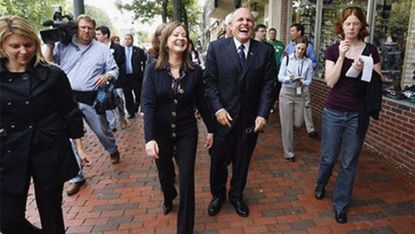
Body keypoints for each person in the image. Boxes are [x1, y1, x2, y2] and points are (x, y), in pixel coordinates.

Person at [0, 15, 84, 233]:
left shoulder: (52, 74)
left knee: (52, 216)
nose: (23, 51)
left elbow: (69, 111)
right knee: (8, 220)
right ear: (2, 46)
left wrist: (79, 147)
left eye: (28, 44)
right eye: (15, 46)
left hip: (48, 149)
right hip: (9, 153)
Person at [142, 21, 214, 234]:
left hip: (186, 132)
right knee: (165, 175)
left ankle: (185, 229)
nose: (181, 38)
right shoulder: (153, 70)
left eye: (184, 35)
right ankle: (168, 195)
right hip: (161, 132)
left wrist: (211, 128)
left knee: (187, 179)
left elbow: (202, 101)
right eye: (175, 34)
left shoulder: (195, 72)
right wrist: (149, 138)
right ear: (166, 42)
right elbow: (148, 104)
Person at [204, 7, 276, 218]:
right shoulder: (216, 48)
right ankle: (218, 195)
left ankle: (236, 196)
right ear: (231, 25)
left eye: (249, 20)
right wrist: (217, 108)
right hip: (222, 120)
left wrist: (263, 113)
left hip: (249, 121)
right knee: (218, 162)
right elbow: (209, 82)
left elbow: (268, 85)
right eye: (240, 20)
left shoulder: (265, 51)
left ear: (253, 25)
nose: (244, 23)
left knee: (242, 162)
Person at [314, 6, 382, 224]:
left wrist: (365, 70)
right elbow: (330, 82)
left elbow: (378, 82)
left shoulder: (370, 50)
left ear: (361, 26)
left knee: (349, 161)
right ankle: (321, 183)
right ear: (341, 26)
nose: (351, 27)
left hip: (358, 113)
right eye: (348, 23)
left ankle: (340, 205)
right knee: (328, 156)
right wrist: (343, 57)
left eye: (355, 23)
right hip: (333, 111)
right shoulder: (333, 50)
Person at [45, 14, 120, 196]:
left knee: (101, 130)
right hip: (66, 98)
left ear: (94, 30)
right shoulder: (63, 46)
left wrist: (107, 76)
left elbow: (114, 69)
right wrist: (50, 44)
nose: (86, 31)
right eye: (83, 27)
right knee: (69, 137)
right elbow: (47, 62)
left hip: (90, 98)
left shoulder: (101, 49)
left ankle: (112, 148)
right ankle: (76, 176)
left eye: (89, 28)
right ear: (76, 28)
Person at [278, 37, 314, 162]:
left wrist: (302, 80)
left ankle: (288, 136)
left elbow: (309, 81)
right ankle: (289, 152)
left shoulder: (308, 62)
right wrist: (289, 78)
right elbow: (280, 77)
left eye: (303, 49)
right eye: (298, 48)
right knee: (287, 125)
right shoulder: (287, 59)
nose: (300, 51)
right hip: (287, 91)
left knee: (298, 122)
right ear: (295, 47)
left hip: (300, 92)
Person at [285, 23, 318, 137]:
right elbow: (284, 61)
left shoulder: (308, 47)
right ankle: (293, 125)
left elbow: (314, 63)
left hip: (302, 83)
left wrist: (305, 70)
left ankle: (310, 128)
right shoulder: (289, 46)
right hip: (290, 83)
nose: (291, 33)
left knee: (306, 104)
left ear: (299, 32)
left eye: (293, 31)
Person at [95, 26, 128, 131]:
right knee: (105, 101)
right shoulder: (96, 49)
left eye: (99, 34)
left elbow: (121, 62)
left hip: (116, 81)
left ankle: (122, 118)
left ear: (106, 35)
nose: (96, 36)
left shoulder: (118, 48)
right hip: (103, 82)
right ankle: (112, 124)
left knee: (119, 101)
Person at [123, 33, 147, 118]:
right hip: (125, 77)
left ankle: (136, 106)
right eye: (125, 39)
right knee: (127, 96)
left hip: (136, 76)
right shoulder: (121, 51)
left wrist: (143, 72)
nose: (127, 40)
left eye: (129, 39)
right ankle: (131, 112)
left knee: (139, 94)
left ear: (132, 40)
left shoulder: (138, 50)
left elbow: (145, 61)